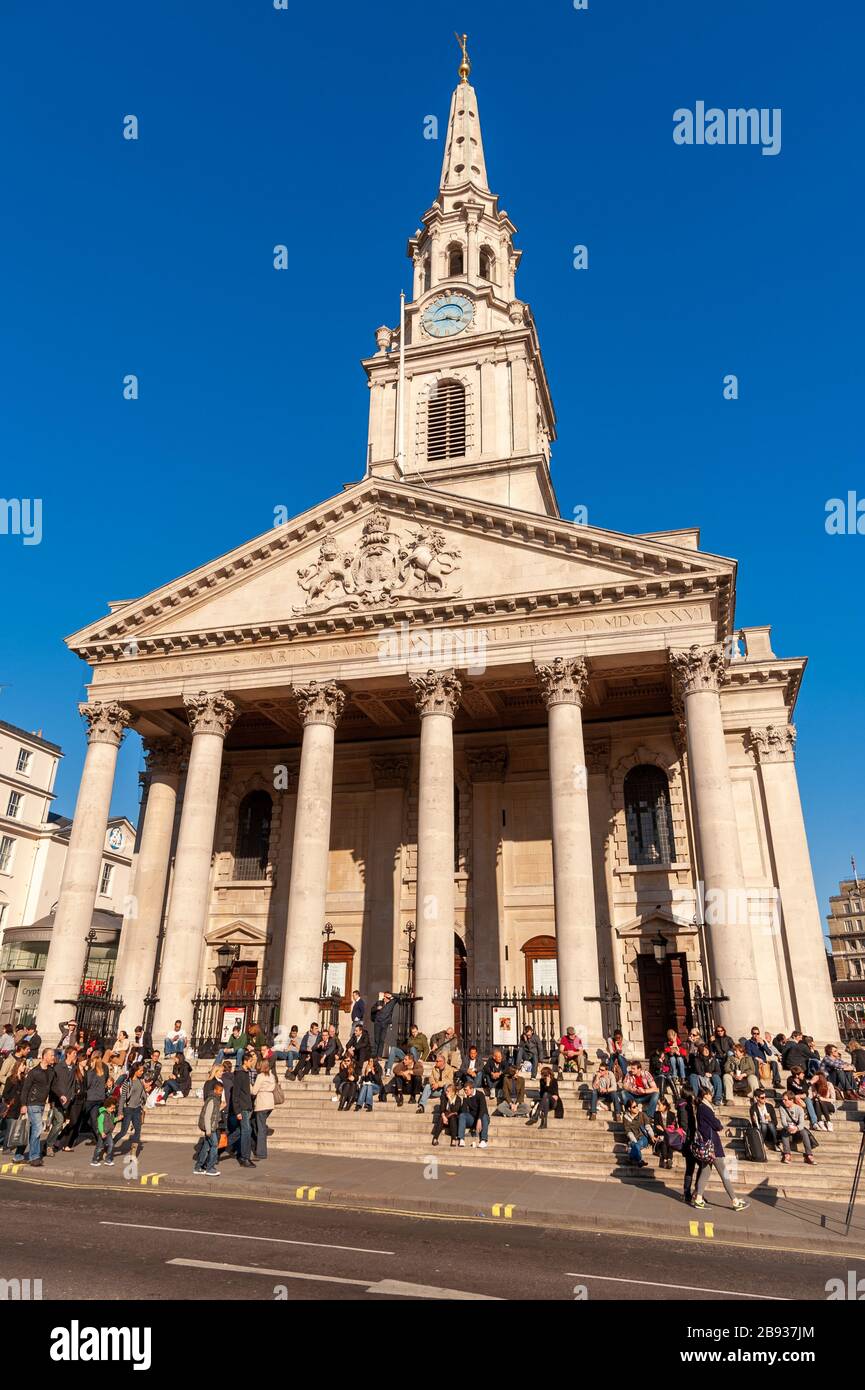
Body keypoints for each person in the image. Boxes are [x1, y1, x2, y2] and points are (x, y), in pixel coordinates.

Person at [692, 1092, 749, 1210]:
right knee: (724, 1174)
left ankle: (698, 1198)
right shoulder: (705, 1108)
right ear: (705, 1096)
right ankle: (735, 1201)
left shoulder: (701, 1108)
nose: (711, 1096)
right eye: (709, 1094)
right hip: (712, 1147)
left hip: (707, 1146)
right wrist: (718, 1124)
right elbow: (717, 1125)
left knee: (705, 1172)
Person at [230, 1052, 256, 1167]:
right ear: (245, 1061)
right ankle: (245, 1157)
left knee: (240, 1131)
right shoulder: (240, 1074)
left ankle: (223, 1147)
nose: (252, 1063)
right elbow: (235, 1095)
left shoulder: (246, 1073)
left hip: (247, 1107)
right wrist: (238, 1111)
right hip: (242, 1108)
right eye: (251, 1061)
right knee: (247, 1131)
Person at [114, 1063, 147, 1154]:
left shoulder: (140, 1081)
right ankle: (110, 1145)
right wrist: (120, 1112)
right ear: (135, 1071)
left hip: (137, 1109)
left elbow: (142, 1095)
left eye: (142, 1070)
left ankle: (133, 1152)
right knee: (123, 1132)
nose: (142, 1072)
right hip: (128, 1109)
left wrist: (143, 1103)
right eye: (140, 1070)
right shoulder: (127, 1082)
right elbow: (122, 1098)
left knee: (138, 1130)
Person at [194, 1077, 224, 1176]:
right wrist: (208, 1130)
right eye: (219, 1091)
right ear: (215, 1090)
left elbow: (214, 1114)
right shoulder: (212, 1100)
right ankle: (210, 1168)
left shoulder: (215, 1100)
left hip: (212, 1127)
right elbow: (207, 1116)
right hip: (210, 1128)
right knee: (214, 1146)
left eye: (221, 1091)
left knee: (206, 1146)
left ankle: (198, 1167)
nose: (220, 1093)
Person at [778, 1091, 816, 1164]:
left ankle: (809, 1155)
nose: (783, 1101)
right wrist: (788, 1128)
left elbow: (802, 1124)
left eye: (785, 1100)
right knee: (784, 1131)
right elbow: (783, 1122)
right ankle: (787, 1154)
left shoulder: (799, 1109)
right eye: (783, 1099)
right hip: (788, 1130)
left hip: (797, 1132)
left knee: (804, 1131)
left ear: (791, 1100)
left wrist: (796, 1128)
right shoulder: (782, 1108)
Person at [252, 1058, 275, 1159]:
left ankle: (261, 1152)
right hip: (270, 1103)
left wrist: (249, 1085)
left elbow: (254, 1091)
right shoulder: (271, 1075)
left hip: (262, 1103)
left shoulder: (260, 1076)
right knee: (261, 1125)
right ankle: (260, 1148)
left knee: (260, 1128)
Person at [2, 1059, 27, 1152]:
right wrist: (10, 1100)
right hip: (11, 1106)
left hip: (19, 1106)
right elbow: (5, 1094)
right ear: (18, 1066)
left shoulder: (24, 1079)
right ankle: (6, 1148)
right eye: (23, 1065)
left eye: (24, 1065)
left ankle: (8, 1145)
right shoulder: (11, 1078)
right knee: (10, 1128)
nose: (24, 1067)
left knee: (12, 1128)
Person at [456, 1079, 489, 1148]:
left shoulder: (480, 1094)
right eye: (464, 1090)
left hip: (482, 1118)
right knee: (462, 1115)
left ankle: (483, 1140)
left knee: (484, 1116)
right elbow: (463, 1111)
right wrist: (465, 1099)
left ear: (472, 1089)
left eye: (466, 1090)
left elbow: (483, 1109)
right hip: (472, 1119)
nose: (465, 1091)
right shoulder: (467, 1096)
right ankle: (461, 1139)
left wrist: (479, 1120)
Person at [84, 1052, 109, 1143]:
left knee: (81, 1117)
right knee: (94, 1119)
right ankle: (99, 1139)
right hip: (100, 1098)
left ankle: (98, 1138)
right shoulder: (103, 1072)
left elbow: (87, 1084)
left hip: (91, 1098)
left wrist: (87, 1071)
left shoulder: (91, 1072)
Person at [370, 992, 398, 1065]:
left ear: (389, 998)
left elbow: (399, 997)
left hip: (385, 1024)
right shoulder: (379, 1002)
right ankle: (375, 1055)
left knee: (382, 1039)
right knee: (377, 1039)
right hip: (377, 1023)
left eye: (386, 997)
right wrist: (377, 1008)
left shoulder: (392, 1003)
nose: (384, 998)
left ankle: (379, 1055)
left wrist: (392, 995)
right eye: (384, 997)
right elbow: (372, 1009)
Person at [622, 1100, 652, 1167]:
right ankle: (639, 1160)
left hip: (643, 1137)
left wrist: (652, 1136)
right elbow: (628, 1132)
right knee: (636, 1145)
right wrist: (635, 1142)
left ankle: (631, 1158)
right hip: (633, 1138)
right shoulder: (626, 1117)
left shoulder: (642, 1114)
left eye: (637, 1106)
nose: (637, 1108)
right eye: (634, 1107)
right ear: (629, 1109)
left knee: (637, 1144)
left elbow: (648, 1126)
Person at [91, 1096, 118, 1167]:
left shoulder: (111, 1114)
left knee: (111, 1145)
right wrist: (102, 1132)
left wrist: (117, 1118)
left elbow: (112, 1120)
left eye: (114, 1108)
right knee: (99, 1147)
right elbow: (100, 1124)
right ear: (107, 1107)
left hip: (108, 1133)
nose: (113, 1110)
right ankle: (94, 1160)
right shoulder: (102, 1114)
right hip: (102, 1133)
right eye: (112, 1108)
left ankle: (108, 1159)